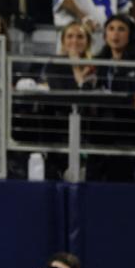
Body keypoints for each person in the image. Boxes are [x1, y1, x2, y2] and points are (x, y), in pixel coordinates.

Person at [87, 14, 135, 182]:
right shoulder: (100, 60)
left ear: (130, 34)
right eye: (111, 29)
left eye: (121, 29)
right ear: (105, 35)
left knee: (119, 175)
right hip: (101, 129)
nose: (115, 34)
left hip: (129, 129)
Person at [39, 23, 97, 179]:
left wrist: (77, 68)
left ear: (88, 41)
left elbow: (88, 97)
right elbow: (64, 95)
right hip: (59, 127)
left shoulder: (97, 65)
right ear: (63, 41)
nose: (75, 41)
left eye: (80, 36)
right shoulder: (54, 64)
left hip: (90, 126)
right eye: (70, 36)